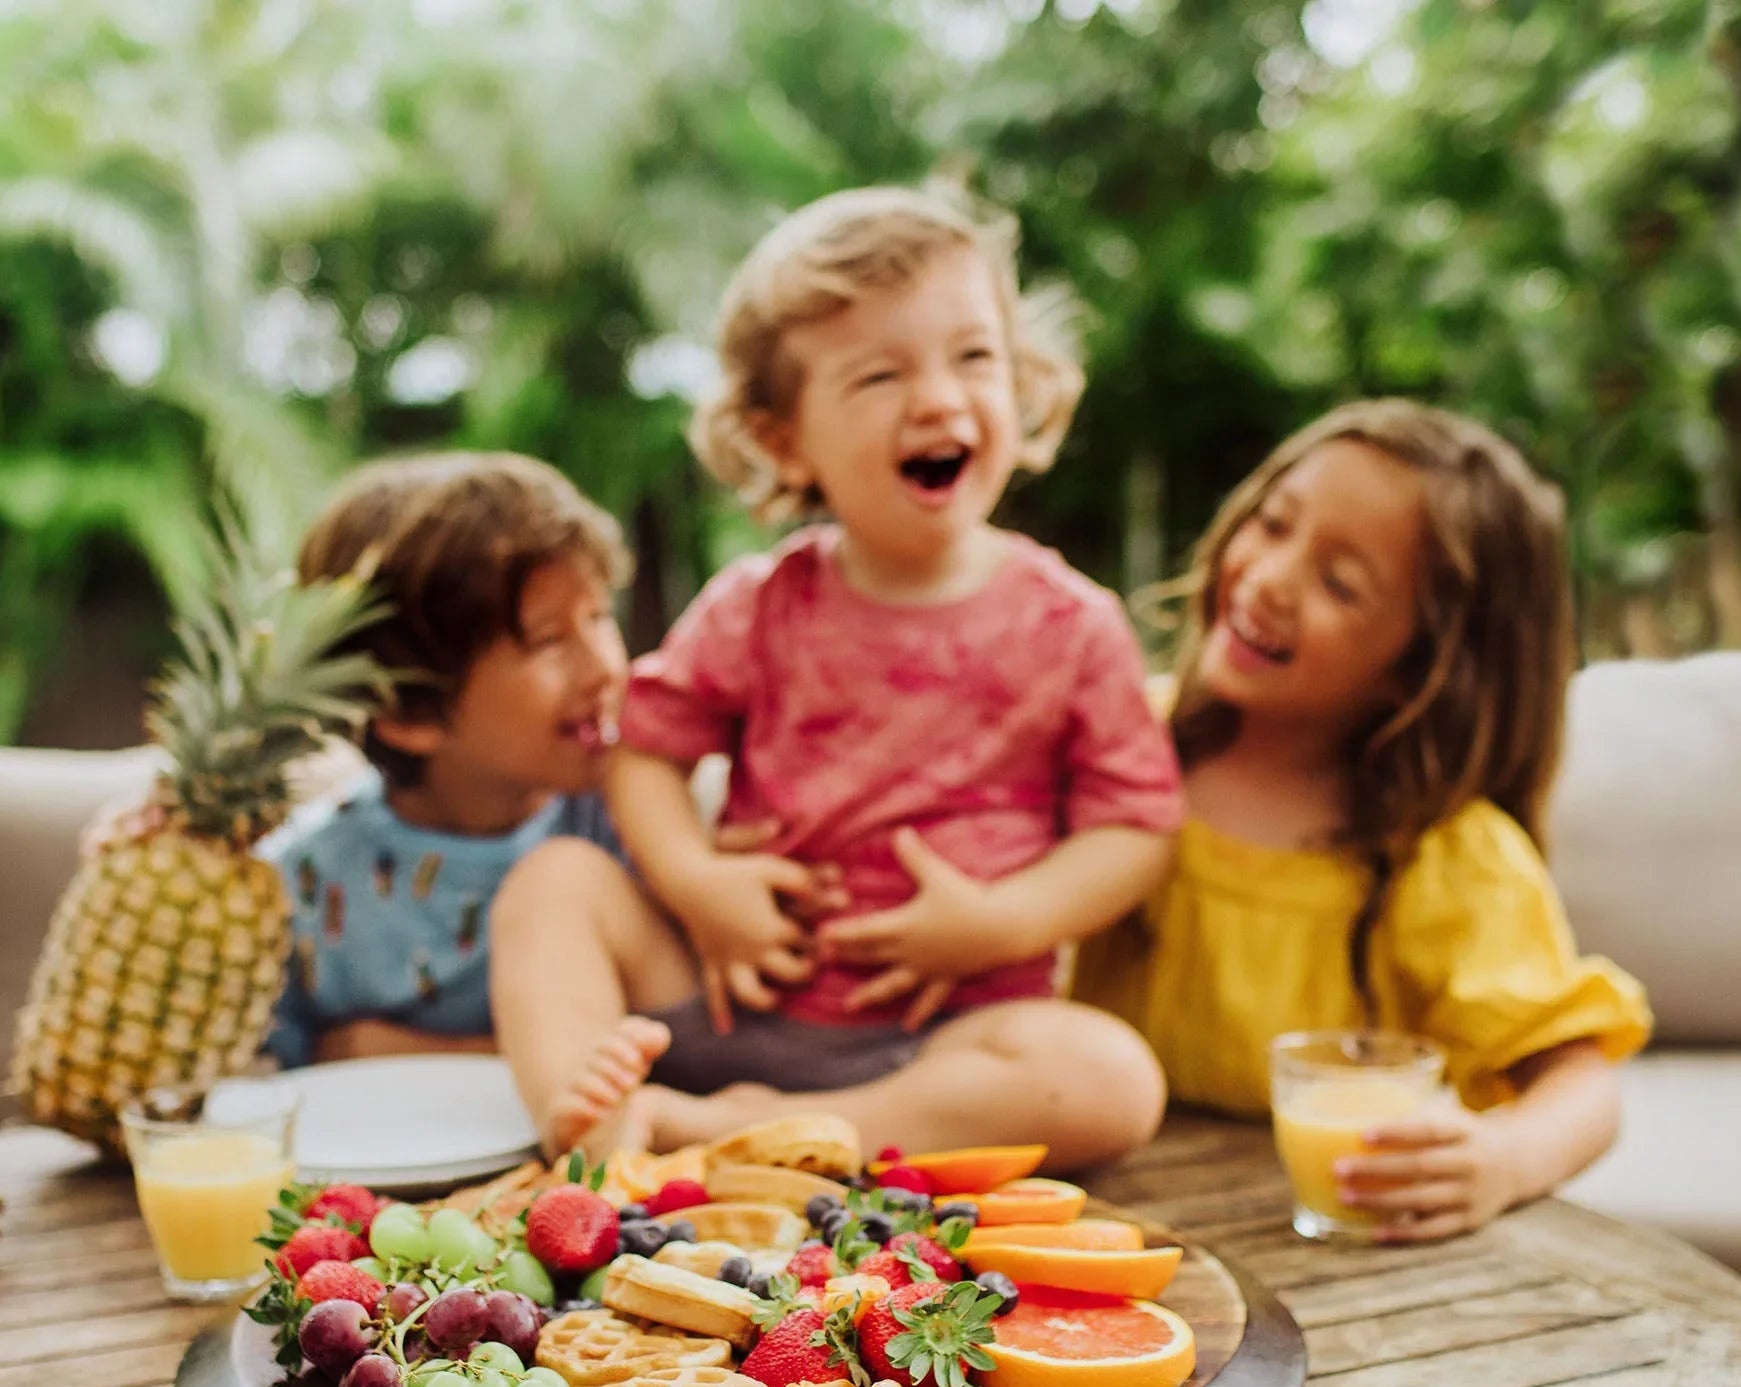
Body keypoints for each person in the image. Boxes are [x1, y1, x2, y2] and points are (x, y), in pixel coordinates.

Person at [491, 185, 1185, 1167]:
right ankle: (591, 1122)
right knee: (554, 882)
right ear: (784, 438)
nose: (940, 397)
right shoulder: (758, 605)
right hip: (729, 994)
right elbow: (644, 750)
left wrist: (1002, 922)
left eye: (974, 356)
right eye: (879, 375)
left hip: (936, 1041)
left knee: (1108, 1077)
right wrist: (697, 884)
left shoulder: (1074, 625)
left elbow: (1135, 825)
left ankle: (740, 1133)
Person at [1073, 398, 1653, 1241]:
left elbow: (1580, 1083)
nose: (1270, 578)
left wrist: (1503, 1157)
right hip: (1102, 1221)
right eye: (1273, 524)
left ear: (1423, 668)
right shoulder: (1116, 748)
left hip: (1340, 1256)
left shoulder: (1444, 855)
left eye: (1339, 582)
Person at [256, 451, 630, 1069]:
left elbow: (677, 1045)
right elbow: (262, 1093)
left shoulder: (633, 828)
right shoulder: (299, 889)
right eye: (549, 641)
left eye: (599, 617)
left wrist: (411, 1052)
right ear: (409, 714)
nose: (605, 668)